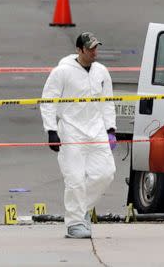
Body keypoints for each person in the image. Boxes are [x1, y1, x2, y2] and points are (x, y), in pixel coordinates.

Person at [40, 32, 117, 239]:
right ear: (79, 50)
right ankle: (74, 223)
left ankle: (81, 210)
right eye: (90, 48)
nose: (94, 52)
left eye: (96, 47)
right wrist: (51, 131)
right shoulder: (62, 72)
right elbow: (48, 100)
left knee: (106, 173)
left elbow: (108, 102)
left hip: (97, 130)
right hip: (71, 131)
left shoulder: (101, 72)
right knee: (74, 178)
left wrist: (111, 129)